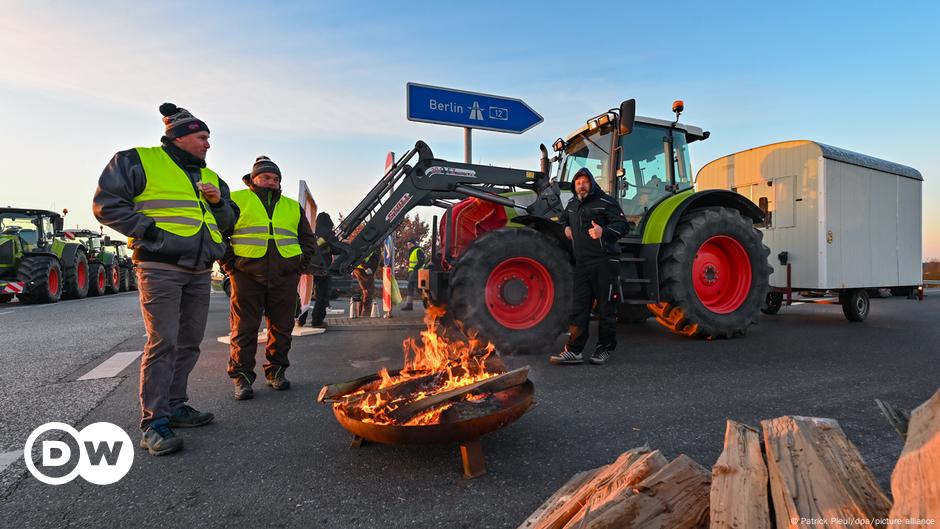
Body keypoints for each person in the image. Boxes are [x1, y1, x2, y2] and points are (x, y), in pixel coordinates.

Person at [93, 102, 235, 456]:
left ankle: (175, 405)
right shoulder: (136, 160)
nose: (207, 145)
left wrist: (218, 204)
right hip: (160, 267)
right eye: (202, 137)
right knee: (163, 343)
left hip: (200, 269)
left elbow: (228, 221)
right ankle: (154, 422)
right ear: (182, 137)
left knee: (189, 342)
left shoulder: (212, 178)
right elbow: (106, 204)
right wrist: (151, 232)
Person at [222, 156, 318, 401]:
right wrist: (230, 265)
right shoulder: (236, 200)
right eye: (266, 177)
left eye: (275, 179)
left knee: (282, 327)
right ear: (253, 179)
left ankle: (276, 372)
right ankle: (242, 379)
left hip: (284, 276)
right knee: (244, 329)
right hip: (245, 275)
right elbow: (220, 234)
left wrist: (298, 267)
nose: (271, 182)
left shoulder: (291, 206)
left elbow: (307, 240)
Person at [549, 167, 630, 366]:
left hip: (605, 262)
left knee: (606, 308)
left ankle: (604, 348)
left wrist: (603, 231)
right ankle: (574, 350)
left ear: (591, 183)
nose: (581, 186)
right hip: (582, 264)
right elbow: (563, 221)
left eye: (584, 182)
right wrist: (565, 227)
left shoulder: (606, 202)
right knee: (579, 308)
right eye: (577, 183)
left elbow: (623, 225)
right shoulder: (572, 204)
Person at [307, 211, 338, 327]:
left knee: (305, 294)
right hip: (323, 268)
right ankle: (317, 320)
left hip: (310, 267)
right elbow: (335, 249)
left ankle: (300, 319)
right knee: (322, 295)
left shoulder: (312, 232)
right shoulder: (328, 234)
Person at [352, 251, 379, 317]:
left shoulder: (371, 245)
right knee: (369, 291)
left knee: (366, 291)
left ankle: (361, 312)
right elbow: (359, 256)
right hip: (362, 269)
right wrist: (365, 267)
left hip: (362, 269)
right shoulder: (369, 244)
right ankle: (365, 313)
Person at [401, 240, 426, 311]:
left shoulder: (418, 250)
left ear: (414, 244)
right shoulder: (412, 251)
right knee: (411, 287)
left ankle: (428, 302)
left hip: (417, 272)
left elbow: (421, 261)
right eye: (407, 244)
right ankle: (409, 305)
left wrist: (415, 268)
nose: (408, 246)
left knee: (418, 288)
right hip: (412, 272)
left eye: (409, 244)